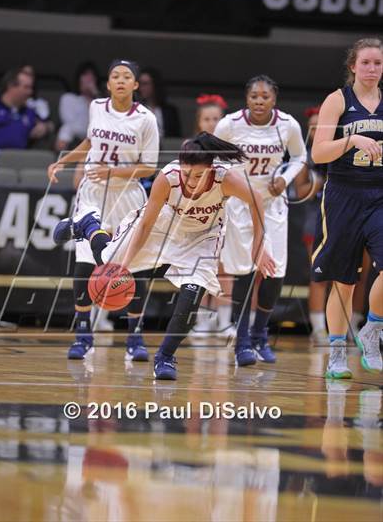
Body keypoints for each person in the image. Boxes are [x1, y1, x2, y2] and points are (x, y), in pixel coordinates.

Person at [53, 132, 275, 380]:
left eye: (199, 175)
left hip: (202, 236)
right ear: (180, 166)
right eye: (187, 174)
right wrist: (123, 267)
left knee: (192, 297)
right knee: (108, 261)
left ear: (211, 169)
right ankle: (89, 225)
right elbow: (146, 226)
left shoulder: (226, 179)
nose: (192, 181)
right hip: (163, 225)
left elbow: (256, 201)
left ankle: (165, 357)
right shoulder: (167, 179)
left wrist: (259, 246)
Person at [48, 59, 159, 361]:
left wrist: (115, 173)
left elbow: (149, 167)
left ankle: (134, 337)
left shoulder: (146, 119)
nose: (120, 80)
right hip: (93, 193)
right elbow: (89, 141)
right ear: (108, 83)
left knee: (132, 267)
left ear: (136, 85)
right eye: (115, 76)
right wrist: (64, 160)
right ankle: (84, 335)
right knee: (84, 265)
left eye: (127, 77)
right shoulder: (96, 106)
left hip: (127, 196)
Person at [215, 75, 307, 365]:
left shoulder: (288, 125)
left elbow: (300, 157)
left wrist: (284, 178)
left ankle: (259, 334)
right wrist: (233, 184)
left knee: (274, 272)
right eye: (254, 96)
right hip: (241, 203)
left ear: (274, 98)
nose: (259, 101)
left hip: (272, 202)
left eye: (264, 96)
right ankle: (241, 341)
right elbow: (214, 159)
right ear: (247, 98)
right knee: (243, 271)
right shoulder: (229, 125)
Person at [311, 37, 383, 378]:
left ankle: (372, 329)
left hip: (379, 193)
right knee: (344, 281)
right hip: (343, 194)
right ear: (353, 66)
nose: (372, 69)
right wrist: (351, 140)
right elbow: (318, 153)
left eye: (378, 63)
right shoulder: (338, 101)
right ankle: (337, 351)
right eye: (366, 62)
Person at [187, 94, 235, 338]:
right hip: (199, 214)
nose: (212, 123)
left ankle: (225, 321)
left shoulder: (231, 148)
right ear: (199, 122)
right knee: (201, 267)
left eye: (216, 118)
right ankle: (203, 319)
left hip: (228, 213)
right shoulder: (191, 148)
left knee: (225, 269)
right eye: (207, 119)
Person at [294, 106, 328, 344]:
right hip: (314, 221)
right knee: (319, 274)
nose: (315, 131)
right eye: (312, 127)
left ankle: (348, 327)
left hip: (341, 219)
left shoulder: (339, 151)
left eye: (320, 126)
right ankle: (318, 329)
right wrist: (319, 181)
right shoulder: (304, 156)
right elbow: (300, 192)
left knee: (346, 278)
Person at [0, 67, 49, 150]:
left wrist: (44, 127)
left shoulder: (29, 111)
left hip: (21, 159)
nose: (30, 92)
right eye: (26, 87)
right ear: (11, 86)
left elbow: (47, 125)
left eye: (31, 88)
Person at [56, 61, 102, 151]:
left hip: (96, 140)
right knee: (66, 129)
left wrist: (95, 94)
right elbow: (69, 122)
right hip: (74, 139)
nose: (89, 79)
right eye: (85, 75)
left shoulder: (100, 101)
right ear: (79, 78)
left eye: (92, 76)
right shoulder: (68, 98)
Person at [138, 67, 181, 137]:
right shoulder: (136, 110)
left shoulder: (170, 111)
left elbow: (176, 137)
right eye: (140, 84)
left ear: (155, 85)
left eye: (145, 84)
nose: (141, 88)